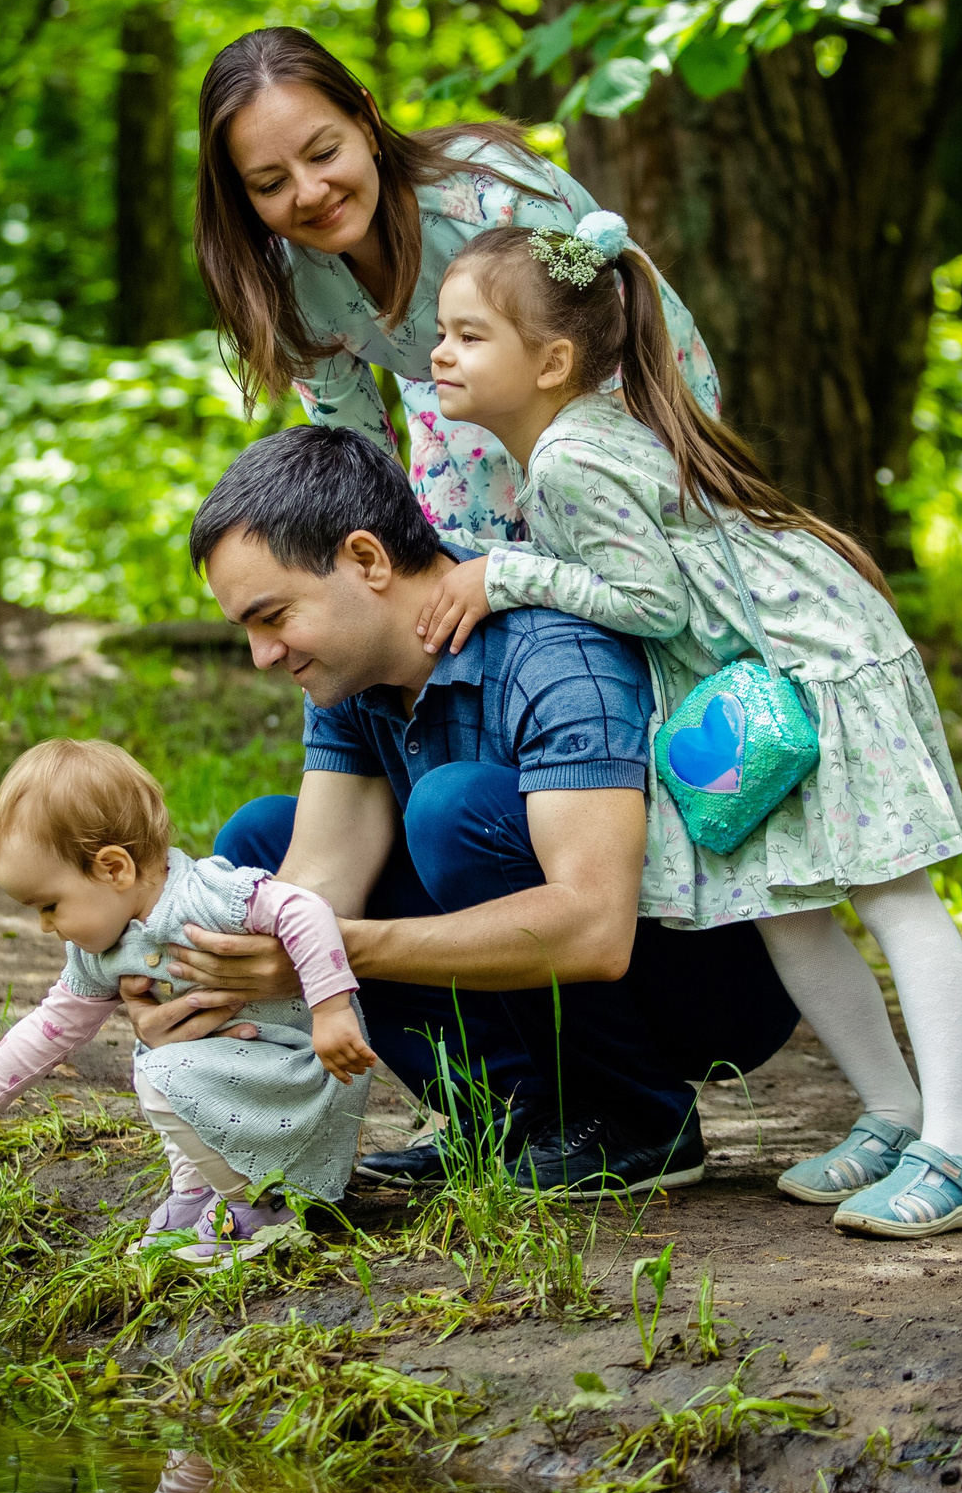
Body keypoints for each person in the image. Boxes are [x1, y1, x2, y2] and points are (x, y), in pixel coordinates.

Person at [406, 216, 962, 1238]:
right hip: (753, 682)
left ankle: (960, 1150)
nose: (439, 353)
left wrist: (505, 576)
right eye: (445, 333)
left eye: (467, 336)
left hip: (816, 660)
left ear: (549, 361)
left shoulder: (570, 464)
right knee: (785, 904)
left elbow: (650, 605)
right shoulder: (578, 438)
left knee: (892, 891)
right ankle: (893, 1113)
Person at [147, 422, 804, 1195]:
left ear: (367, 559)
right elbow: (323, 873)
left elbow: (596, 929)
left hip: (705, 979)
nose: (262, 654)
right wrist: (186, 974)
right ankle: (507, 1116)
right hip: (576, 932)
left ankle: (641, 1118)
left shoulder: (546, 648)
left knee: (451, 809)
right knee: (262, 841)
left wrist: (333, 950)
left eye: (274, 616)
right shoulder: (346, 675)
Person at [194, 26, 722, 546]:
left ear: (367, 121)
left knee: (626, 547)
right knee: (447, 563)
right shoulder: (288, 288)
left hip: (613, 366)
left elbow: (580, 365)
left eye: (324, 154)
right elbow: (363, 460)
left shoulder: (493, 198)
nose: (309, 193)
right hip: (459, 395)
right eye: (271, 184)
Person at [0, 739, 376, 1267]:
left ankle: (260, 1205)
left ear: (114, 869)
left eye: (50, 905)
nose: (45, 926)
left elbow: (305, 910)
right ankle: (198, 1192)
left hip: (299, 1065)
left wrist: (331, 1009)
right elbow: (52, 1026)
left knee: (161, 1073)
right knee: (159, 1064)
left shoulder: (206, 896)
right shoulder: (102, 950)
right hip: (237, 1075)